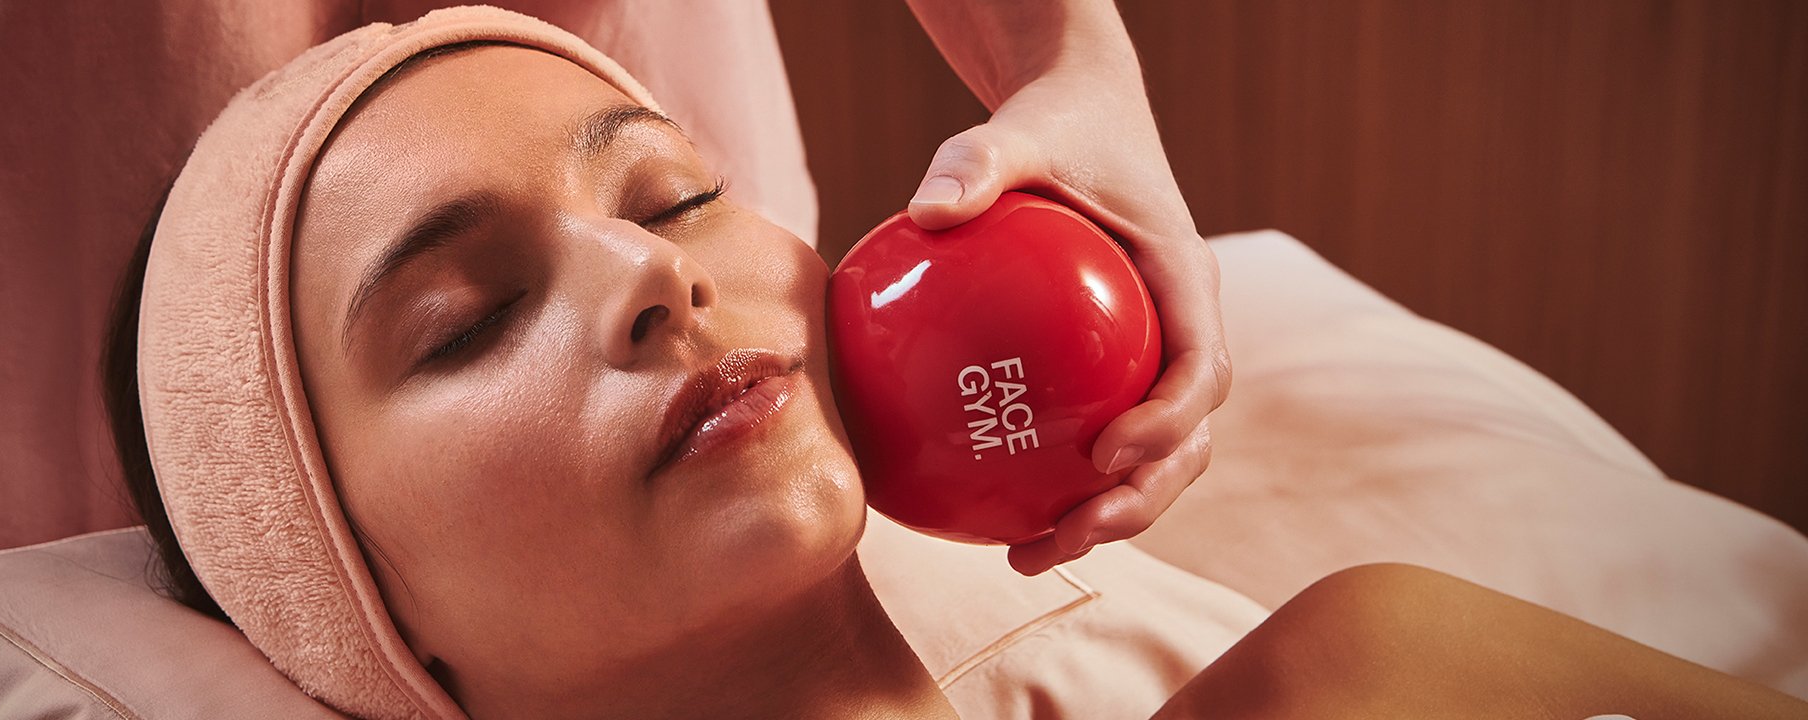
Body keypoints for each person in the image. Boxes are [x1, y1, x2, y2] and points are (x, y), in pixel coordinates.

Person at [102, 7, 1806, 720]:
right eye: (463, 321)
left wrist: (1072, 53)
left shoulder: (1382, 667)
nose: (648, 272)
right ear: (360, 613)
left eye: (684, 194)